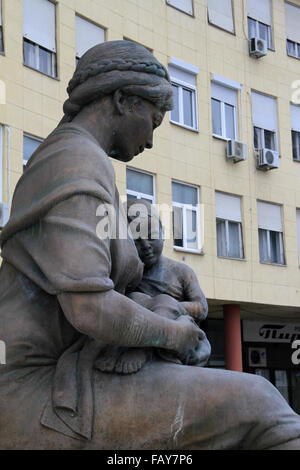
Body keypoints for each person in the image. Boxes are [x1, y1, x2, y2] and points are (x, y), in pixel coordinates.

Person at [0, 40, 300, 450]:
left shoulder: (78, 158)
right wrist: (175, 335)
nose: (152, 141)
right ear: (123, 100)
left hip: (80, 373)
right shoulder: (74, 162)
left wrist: (158, 309)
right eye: (154, 120)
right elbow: (90, 307)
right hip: (47, 390)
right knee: (263, 404)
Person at [96, 199, 211, 374]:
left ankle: (143, 351)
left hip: (179, 329)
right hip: (136, 328)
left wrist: (170, 306)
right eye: (136, 241)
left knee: (164, 300)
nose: (146, 246)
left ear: (163, 232)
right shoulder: (128, 273)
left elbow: (202, 308)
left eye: (151, 236)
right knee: (135, 298)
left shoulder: (181, 271)